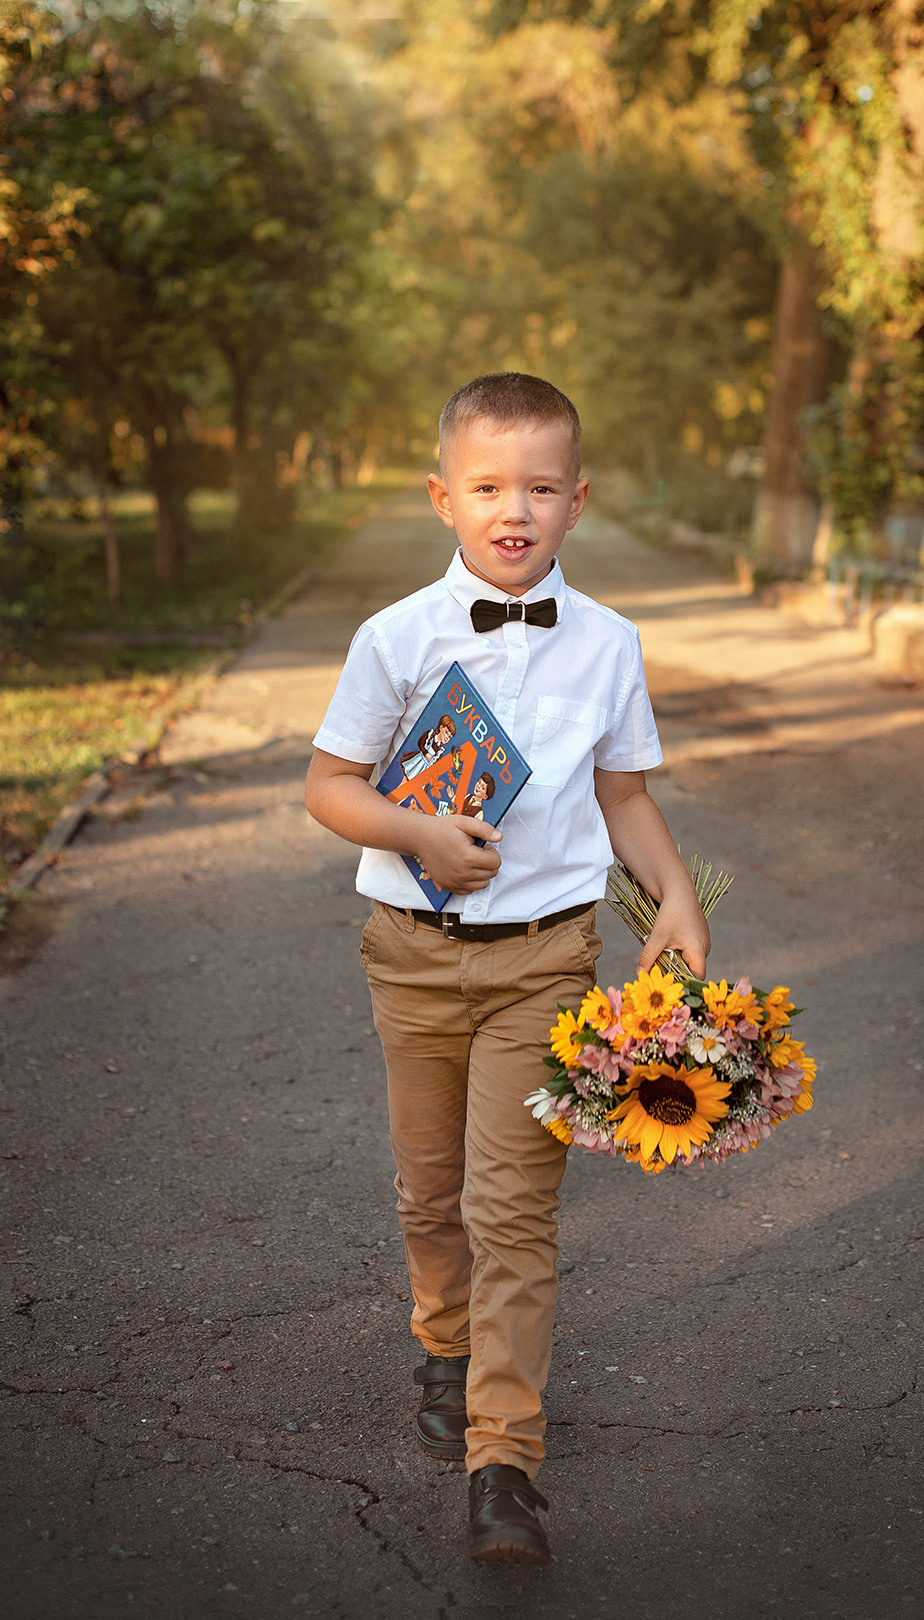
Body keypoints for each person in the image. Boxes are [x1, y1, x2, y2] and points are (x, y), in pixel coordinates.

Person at [305, 372, 709, 1565]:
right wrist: (416, 830)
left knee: (512, 1211)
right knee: (430, 1194)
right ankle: (442, 1339)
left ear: (579, 501)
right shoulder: (395, 638)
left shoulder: (611, 645)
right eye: (488, 486)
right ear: (443, 498)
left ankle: (506, 1463)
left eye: (540, 486)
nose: (514, 508)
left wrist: (673, 890)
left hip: (548, 961)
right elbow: (329, 786)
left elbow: (622, 794)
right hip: (411, 956)